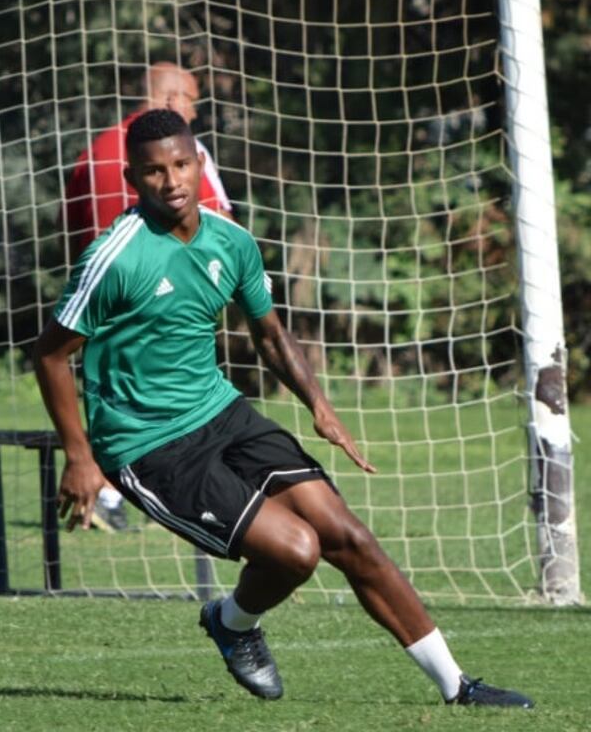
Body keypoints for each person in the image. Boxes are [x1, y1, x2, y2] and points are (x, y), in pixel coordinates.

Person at [33, 108, 534, 708]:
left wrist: (319, 405)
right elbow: (50, 356)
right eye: (154, 171)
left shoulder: (232, 242)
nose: (172, 181)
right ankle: (233, 623)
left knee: (349, 537)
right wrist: (80, 456)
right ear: (132, 177)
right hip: (148, 443)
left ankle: (458, 687)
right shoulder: (114, 257)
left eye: (181, 164)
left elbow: (269, 334)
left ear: (199, 162)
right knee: (297, 550)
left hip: (222, 412)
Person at [64, 62, 232, 530]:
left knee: (119, 404)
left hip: (98, 312)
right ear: (173, 100)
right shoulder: (186, 153)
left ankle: (109, 491)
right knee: (193, 405)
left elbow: (73, 230)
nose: (194, 116)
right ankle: (158, 495)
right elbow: (219, 226)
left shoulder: (91, 152)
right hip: (167, 304)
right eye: (192, 103)